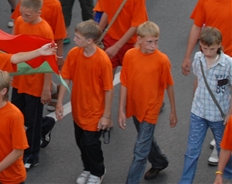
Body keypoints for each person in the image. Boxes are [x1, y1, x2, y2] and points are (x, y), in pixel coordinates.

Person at [55, 20, 113, 184]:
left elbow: (109, 90)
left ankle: (98, 172)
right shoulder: (74, 53)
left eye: (78, 37)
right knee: (81, 143)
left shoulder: (102, 60)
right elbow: (66, 77)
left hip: (94, 113)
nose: (74, 39)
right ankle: (88, 168)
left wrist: (106, 116)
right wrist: (59, 102)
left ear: (90, 40)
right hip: (78, 110)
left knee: (91, 144)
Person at [118, 21, 177, 182]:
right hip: (135, 106)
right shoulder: (130, 55)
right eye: (149, 42)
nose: (154, 45)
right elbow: (124, 82)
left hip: (151, 109)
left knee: (140, 151)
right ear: (139, 39)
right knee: (145, 139)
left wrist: (173, 111)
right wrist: (121, 110)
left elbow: (169, 85)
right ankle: (159, 161)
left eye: (156, 41)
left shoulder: (162, 60)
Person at [179, 27, 232, 183]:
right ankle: (185, 181)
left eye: (212, 49)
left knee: (224, 149)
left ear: (219, 45)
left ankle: (226, 176)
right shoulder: (198, 58)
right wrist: (194, 101)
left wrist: (230, 114)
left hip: (219, 116)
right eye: (204, 48)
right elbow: (198, 80)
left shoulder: (228, 64)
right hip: (199, 113)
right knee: (192, 150)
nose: (207, 52)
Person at [11, 0, 55, 170]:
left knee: (31, 121)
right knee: (18, 116)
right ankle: (46, 125)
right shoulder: (19, 22)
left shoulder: (45, 30)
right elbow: (13, 46)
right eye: (22, 13)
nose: (23, 16)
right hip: (19, 79)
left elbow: (49, 62)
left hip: (36, 83)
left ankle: (32, 155)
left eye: (28, 14)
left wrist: (46, 88)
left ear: (38, 12)